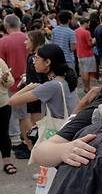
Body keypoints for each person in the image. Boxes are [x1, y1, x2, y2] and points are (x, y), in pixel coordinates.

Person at [9, 44, 78, 120]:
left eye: (36, 58)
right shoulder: (66, 77)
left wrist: (29, 87)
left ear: (47, 62)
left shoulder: (51, 85)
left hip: (59, 127)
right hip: (70, 124)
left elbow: (12, 101)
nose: (34, 62)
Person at [0, 14, 31, 159]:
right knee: (29, 115)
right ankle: (29, 141)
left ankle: (19, 141)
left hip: (12, 84)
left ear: (6, 26)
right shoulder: (29, 37)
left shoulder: (3, 42)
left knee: (15, 116)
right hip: (32, 82)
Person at [23, 30, 47, 124]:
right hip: (42, 95)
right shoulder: (43, 55)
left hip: (36, 96)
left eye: (27, 39)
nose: (25, 42)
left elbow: (37, 80)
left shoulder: (33, 58)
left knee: (38, 126)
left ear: (34, 41)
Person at [0, 58, 16, 174]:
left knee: (3, 133)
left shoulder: (0, 61)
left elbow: (11, 82)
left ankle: (7, 162)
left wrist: (5, 79)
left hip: (3, 104)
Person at [75, 17, 96, 93]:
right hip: (87, 54)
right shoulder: (86, 32)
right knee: (87, 71)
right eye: (88, 23)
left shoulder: (76, 31)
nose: (89, 25)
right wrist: (94, 40)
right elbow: (90, 44)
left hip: (79, 54)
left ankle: (85, 87)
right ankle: (88, 87)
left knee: (83, 71)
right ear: (86, 23)